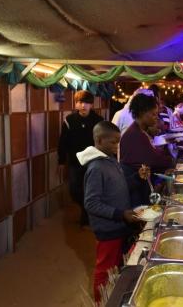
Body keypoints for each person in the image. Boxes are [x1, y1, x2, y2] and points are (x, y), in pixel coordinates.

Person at [77, 121, 148, 302]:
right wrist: (120, 213)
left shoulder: (110, 161)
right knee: (104, 271)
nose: (117, 146)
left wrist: (137, 178)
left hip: (118, 226)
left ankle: (112, 298)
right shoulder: (96, 167)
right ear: (100, 140)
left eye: (119, 142)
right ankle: (101, 302)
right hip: (108, 229)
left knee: (115, 268)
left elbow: (121, 187)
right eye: (113, 142)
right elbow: (91, 203)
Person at [58, 90, 103, 226]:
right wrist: (61, 161)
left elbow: (102, 142)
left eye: (86, 103)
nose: (83, 105)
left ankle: (88, 214)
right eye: (79, 102)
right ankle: (85, 209)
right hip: (75, 162)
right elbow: (62, 142)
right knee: (74, 190)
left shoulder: (98, 121)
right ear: (76, 104)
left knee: (92, 190)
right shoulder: (69, 120)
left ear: (91, 105)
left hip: (93, 162)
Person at [120, 94, 174, 206]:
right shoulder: (135, 134)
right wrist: (172, 161)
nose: (156, 117)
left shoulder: (141, 131)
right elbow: (153, 160)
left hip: (141, 182)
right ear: (141, 113)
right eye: (153, 114)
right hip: (136, 186)